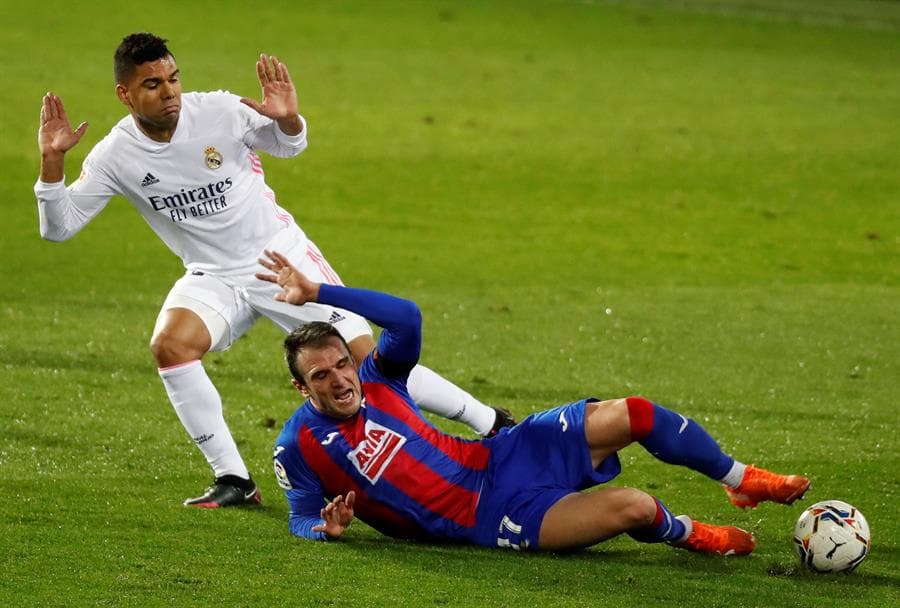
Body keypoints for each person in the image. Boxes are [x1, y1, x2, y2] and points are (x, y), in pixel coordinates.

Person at [34, 32, 513, 508]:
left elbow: (288, 146)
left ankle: (489, 421)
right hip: (212, 273)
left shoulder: (218, 111)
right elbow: (60, 228)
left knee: (369, 365)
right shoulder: (115, 155)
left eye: (174, 79)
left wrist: (288, 120)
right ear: (125, 94)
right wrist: (52, 162)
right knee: (171, 345)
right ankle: (234, 480)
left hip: (280, 260)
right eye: (153, 84)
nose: (170, 92)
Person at [259, 250, 811, 554]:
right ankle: (688, 533)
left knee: (637, 413)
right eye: (320, 376)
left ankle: (739, 479)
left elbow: (406, 316)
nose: (337, 380)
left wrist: (318, 293)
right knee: (636, 507)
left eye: (340, 364)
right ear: (301, 388)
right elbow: (301, 517)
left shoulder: (381, 379)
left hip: (505, 454)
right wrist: (325, 531)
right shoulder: (298, 445)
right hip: (492, 515)